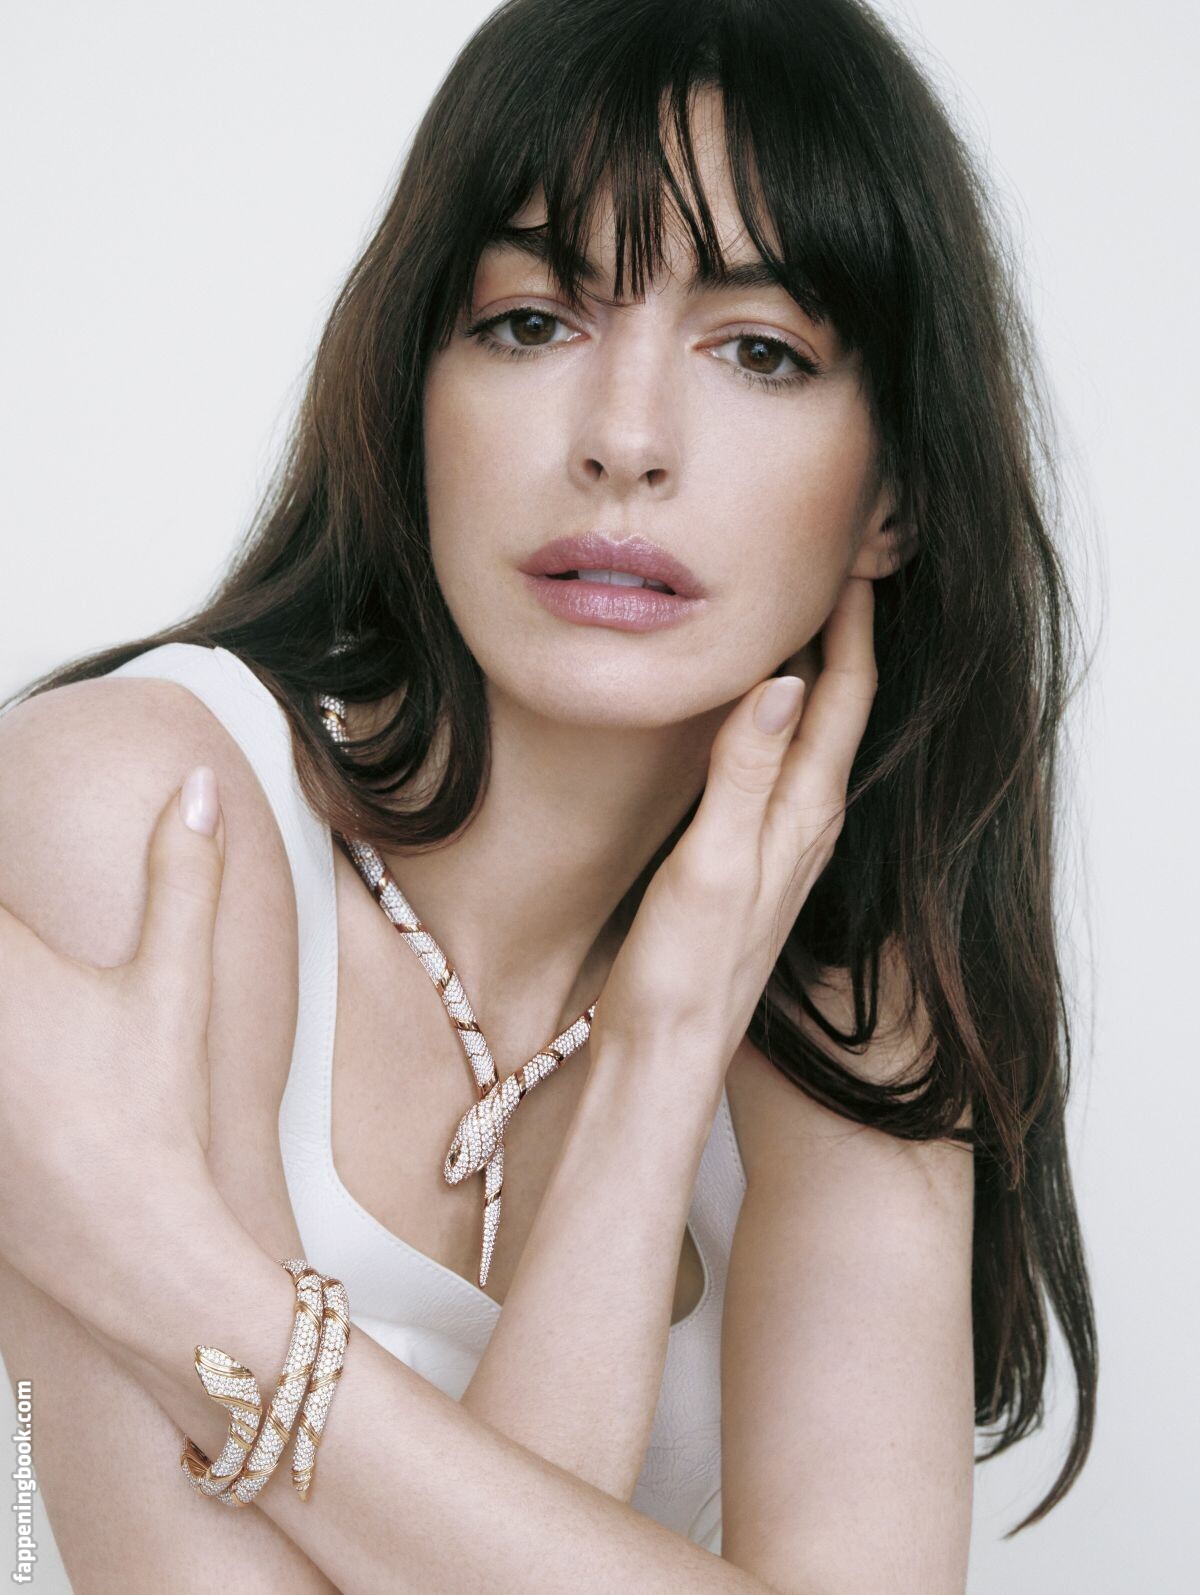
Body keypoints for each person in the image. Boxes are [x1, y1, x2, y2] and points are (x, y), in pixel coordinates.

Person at [0, 0, 1096, 1589]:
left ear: (895, 498)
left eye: (759, 350)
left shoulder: (850, 1009)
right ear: (412, 389)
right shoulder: (142, 818)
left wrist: (168, 1273)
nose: (624, 441)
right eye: (530, 323)